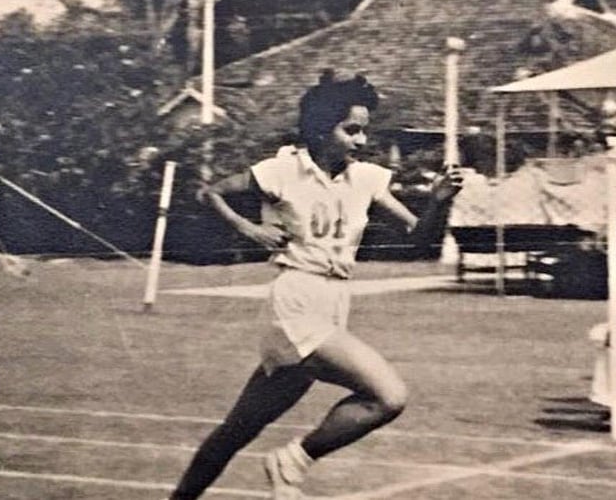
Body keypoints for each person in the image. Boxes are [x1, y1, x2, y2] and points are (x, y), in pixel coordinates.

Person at [168, 72, 463, 500]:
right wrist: (249, 229)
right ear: (322, 129)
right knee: (389, 395)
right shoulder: (282, 170)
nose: (362, 140)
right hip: (295, 301)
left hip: (333, 305)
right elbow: (209, 192)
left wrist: (437, 202)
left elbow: (418, 237)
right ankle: (291, 462)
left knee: (238, 429)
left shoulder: (365, 179)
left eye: (364, 130)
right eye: (352, 130)